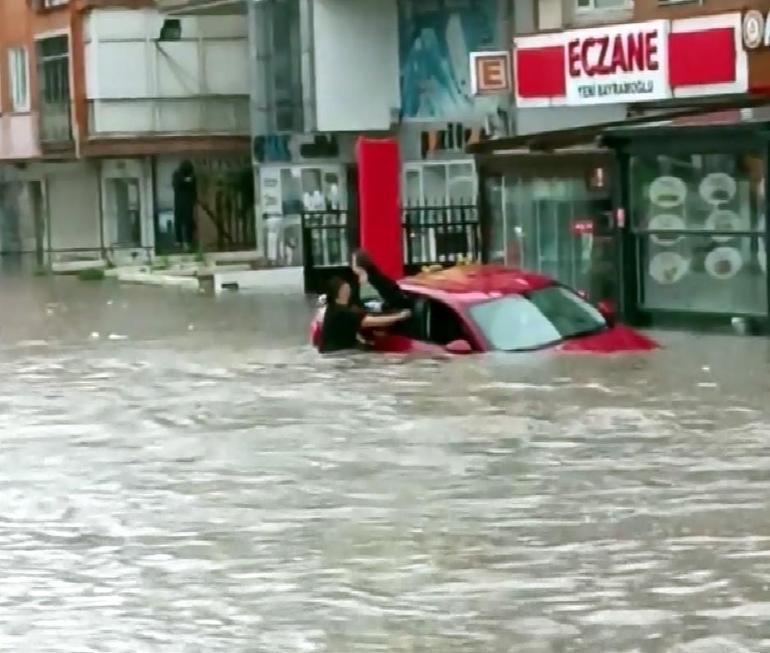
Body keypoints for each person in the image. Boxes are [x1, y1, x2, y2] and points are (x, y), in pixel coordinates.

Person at [320, 276, 410, 353]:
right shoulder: (344, 313)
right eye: (347, 290)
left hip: (329, 352)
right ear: (340, 293)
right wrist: (400, 316)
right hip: (337, 354)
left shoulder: (332, 308)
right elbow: (373, 321)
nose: (349, 292)